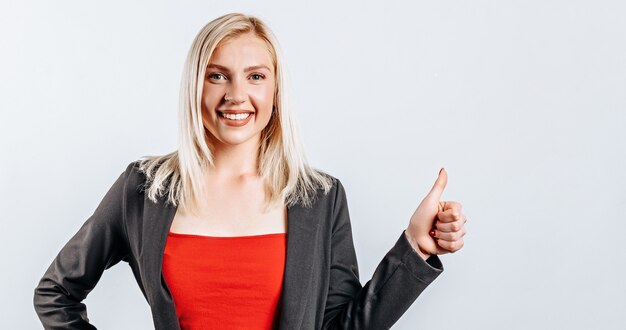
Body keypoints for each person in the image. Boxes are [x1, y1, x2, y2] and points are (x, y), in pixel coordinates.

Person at [33, 13, 467, 330]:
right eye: (217, 76)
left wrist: (415, 248)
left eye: (255, 76)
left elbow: (342, 327)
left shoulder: (319, 196)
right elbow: (56, 294)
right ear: (195, 87)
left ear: (275, 91)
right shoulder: (145, 189)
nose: (236, 95)